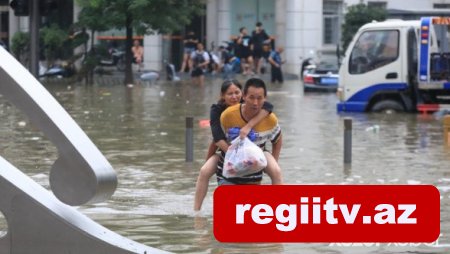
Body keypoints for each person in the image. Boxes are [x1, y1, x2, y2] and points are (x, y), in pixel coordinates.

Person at [193, 79, 282, 211]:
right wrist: (236, 154)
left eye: (236, 93)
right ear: (223, 96)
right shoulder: (221, 113)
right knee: (204, 171)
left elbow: (268, 109)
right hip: (227, 151)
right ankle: (196, 211)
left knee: (276, 171)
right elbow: (216, 139)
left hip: (257, 153)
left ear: (241, 95)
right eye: (230, 94)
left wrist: (248, 126)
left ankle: (279, 208)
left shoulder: (262, 111)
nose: (234, 97)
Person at [218, 78, 282, 185]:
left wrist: (273, 162)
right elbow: (216, 139)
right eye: (251, 98)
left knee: (276, 172)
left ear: (265, 98)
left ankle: (278, 201)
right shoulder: (228, 115)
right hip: (229, 174)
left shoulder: (270, 119)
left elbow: (278, 140)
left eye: (259, 98)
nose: (255, 103)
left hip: (254, 176)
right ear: (243, 96)